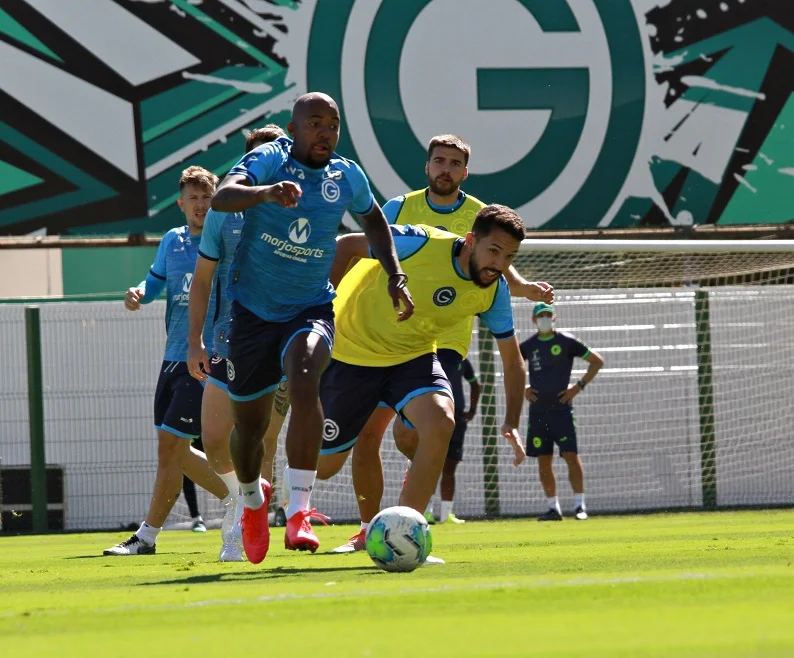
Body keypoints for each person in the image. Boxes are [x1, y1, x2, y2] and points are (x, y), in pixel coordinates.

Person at [188, 92, 413, 565]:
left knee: (307, 376)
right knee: (247, 431)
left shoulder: (346, 175)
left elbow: (374, 223)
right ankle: (253, 503)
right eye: (314, 123)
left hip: (310, 308)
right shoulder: (270, 159)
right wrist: (267, 193)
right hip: (252, 314)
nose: (325, 133)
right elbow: (226, 196)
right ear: (293, 129)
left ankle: (300, 511)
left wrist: (396, 275)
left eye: (332, 124)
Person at [317, 134, 552, 553]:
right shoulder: (411, 226)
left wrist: (512, 422)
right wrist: (320, 310)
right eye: (438, 161)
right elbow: (351, 246)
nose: (499, 264)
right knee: (329, 462)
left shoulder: (489, 263)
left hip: (424, 345)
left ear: (465, 170)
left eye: (508, 257)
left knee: (439, 424)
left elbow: (513, 361)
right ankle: (342, 514)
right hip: (360, 346)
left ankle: (402, 533)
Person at [103, 166, 232, 556]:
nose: (200, 205)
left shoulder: (224, 240)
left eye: (206, 197)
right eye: (193, 198)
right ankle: (242, 499)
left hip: (204, 360)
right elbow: (156, 280)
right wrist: (139, 291)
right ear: (180, 204)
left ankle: (147, 537)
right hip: (172, 358)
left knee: (173, 448)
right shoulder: (172, 241)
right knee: (170, 450)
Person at [188, 124, 293, 562]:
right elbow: (204, 278)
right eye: (257, 155)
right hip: (229, 340)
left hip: (282, 338)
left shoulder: (300, 209)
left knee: (262, 442)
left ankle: (239, 529)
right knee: (214, 441)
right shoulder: (222, 213)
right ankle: (244, 496)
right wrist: (195, 341)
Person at [520, 302, 605, 521]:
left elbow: (596, 361)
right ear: (533, 320)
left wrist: (578, 387)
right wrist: (523, 389)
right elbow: (512, 368)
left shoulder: (566, 341)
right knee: (543, 460)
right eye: (541, 316)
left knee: (571, 456)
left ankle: (579, 506)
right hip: (538, 412)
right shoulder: (528, 346)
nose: (544, 319)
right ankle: (553, 508)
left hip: (562, 411)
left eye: (548, 315)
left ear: (554, 318)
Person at [425, 356, 480, 524]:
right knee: (429, 466)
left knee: (450, 467)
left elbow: (475, 384)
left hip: (457, 419)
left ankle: (446, 514)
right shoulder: (429, 357)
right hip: (433, 418)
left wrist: (472, 410)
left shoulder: (461, 359)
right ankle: (426, 513)